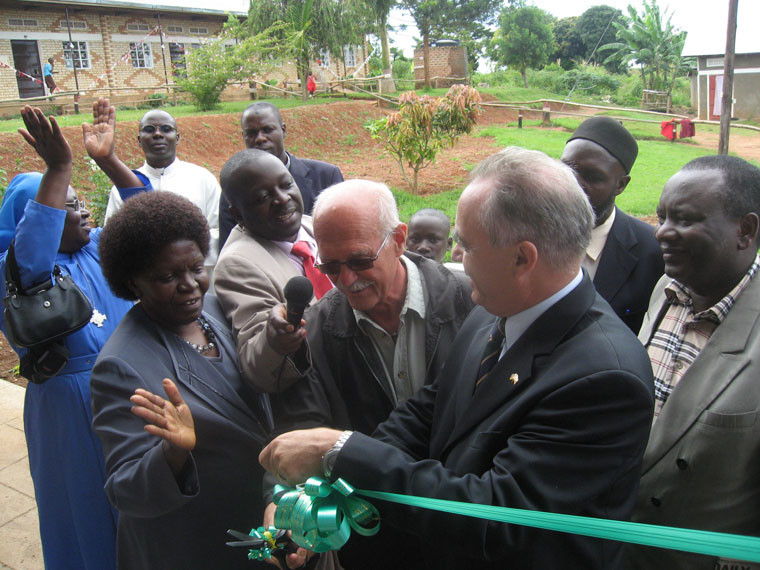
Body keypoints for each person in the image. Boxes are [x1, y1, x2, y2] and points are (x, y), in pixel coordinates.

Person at [260, 147, 655, 570]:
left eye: (466, 245)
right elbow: (430, 410)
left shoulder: (604, 379)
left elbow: (495, 516)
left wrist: (341, 450)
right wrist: (322, 488)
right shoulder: (494, 309)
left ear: (522, 258)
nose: (455, 258)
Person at [91, 191, 273, 569]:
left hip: (256, 521)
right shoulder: (121, 365)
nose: (190, 284)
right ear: (133, 283)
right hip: (192, 544)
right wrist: (172, 453)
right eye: (168, 276)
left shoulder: (215, 308)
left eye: (195, 268)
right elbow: (124, 488)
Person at [0, 103, 142, 569]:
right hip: (70, 406)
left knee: (142, 504)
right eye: (68, 202)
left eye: (83, 200)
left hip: (130, 389)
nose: (83, 210)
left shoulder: (101, 248)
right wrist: (58, 166)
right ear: (33, 219)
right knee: (86, 509)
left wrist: (108, 161)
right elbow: (31, 258)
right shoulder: (18, 276)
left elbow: (151, 219)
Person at [623, 156, 760, 570]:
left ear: (746, 230)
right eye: (662, 216)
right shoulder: (666, 288)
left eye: (683, 219)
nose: (662, 232)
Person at [215, 149, 332, 399]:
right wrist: (274, 341)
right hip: (322, 392)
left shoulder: (315, 226)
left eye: (286, 184)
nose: (281, 199)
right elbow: (256, 362)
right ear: (237, 215)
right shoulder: (238, 264)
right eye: (262, 197)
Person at [561, 116, 663, 332]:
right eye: (567, 170)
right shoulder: (529, 231)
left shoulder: (653, 251)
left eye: (592, 177)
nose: (574, 184)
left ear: (621, 185)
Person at [103, 108, 221, 272]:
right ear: (138, 140)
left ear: (177, 138)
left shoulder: (203, 178)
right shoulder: (123, 187)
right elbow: (113, 238)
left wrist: (185, 259)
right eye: (149, 130)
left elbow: (217, 229)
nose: (158, 134)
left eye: (166, 129)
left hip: (198, 276)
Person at [217, 102, 344, 251]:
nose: (260, 138)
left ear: (283, 130)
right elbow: (228, 247)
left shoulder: (326, 176)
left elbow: (344, 233)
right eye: (251, 133)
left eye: (267, 130)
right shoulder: (236, 190)